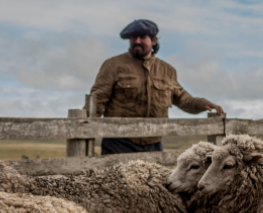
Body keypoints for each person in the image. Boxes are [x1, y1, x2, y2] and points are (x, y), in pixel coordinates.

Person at [90, 19, 224, 156]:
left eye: (142, 37)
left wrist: (202, 103)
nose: (137, 41)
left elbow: (183, 99)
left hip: (154, 143)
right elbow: (97, 100)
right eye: (133, 37)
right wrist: (85, 130)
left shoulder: (167, 70)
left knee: (153, 178)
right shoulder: (113, 65)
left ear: (154, 41)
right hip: (118, 143)